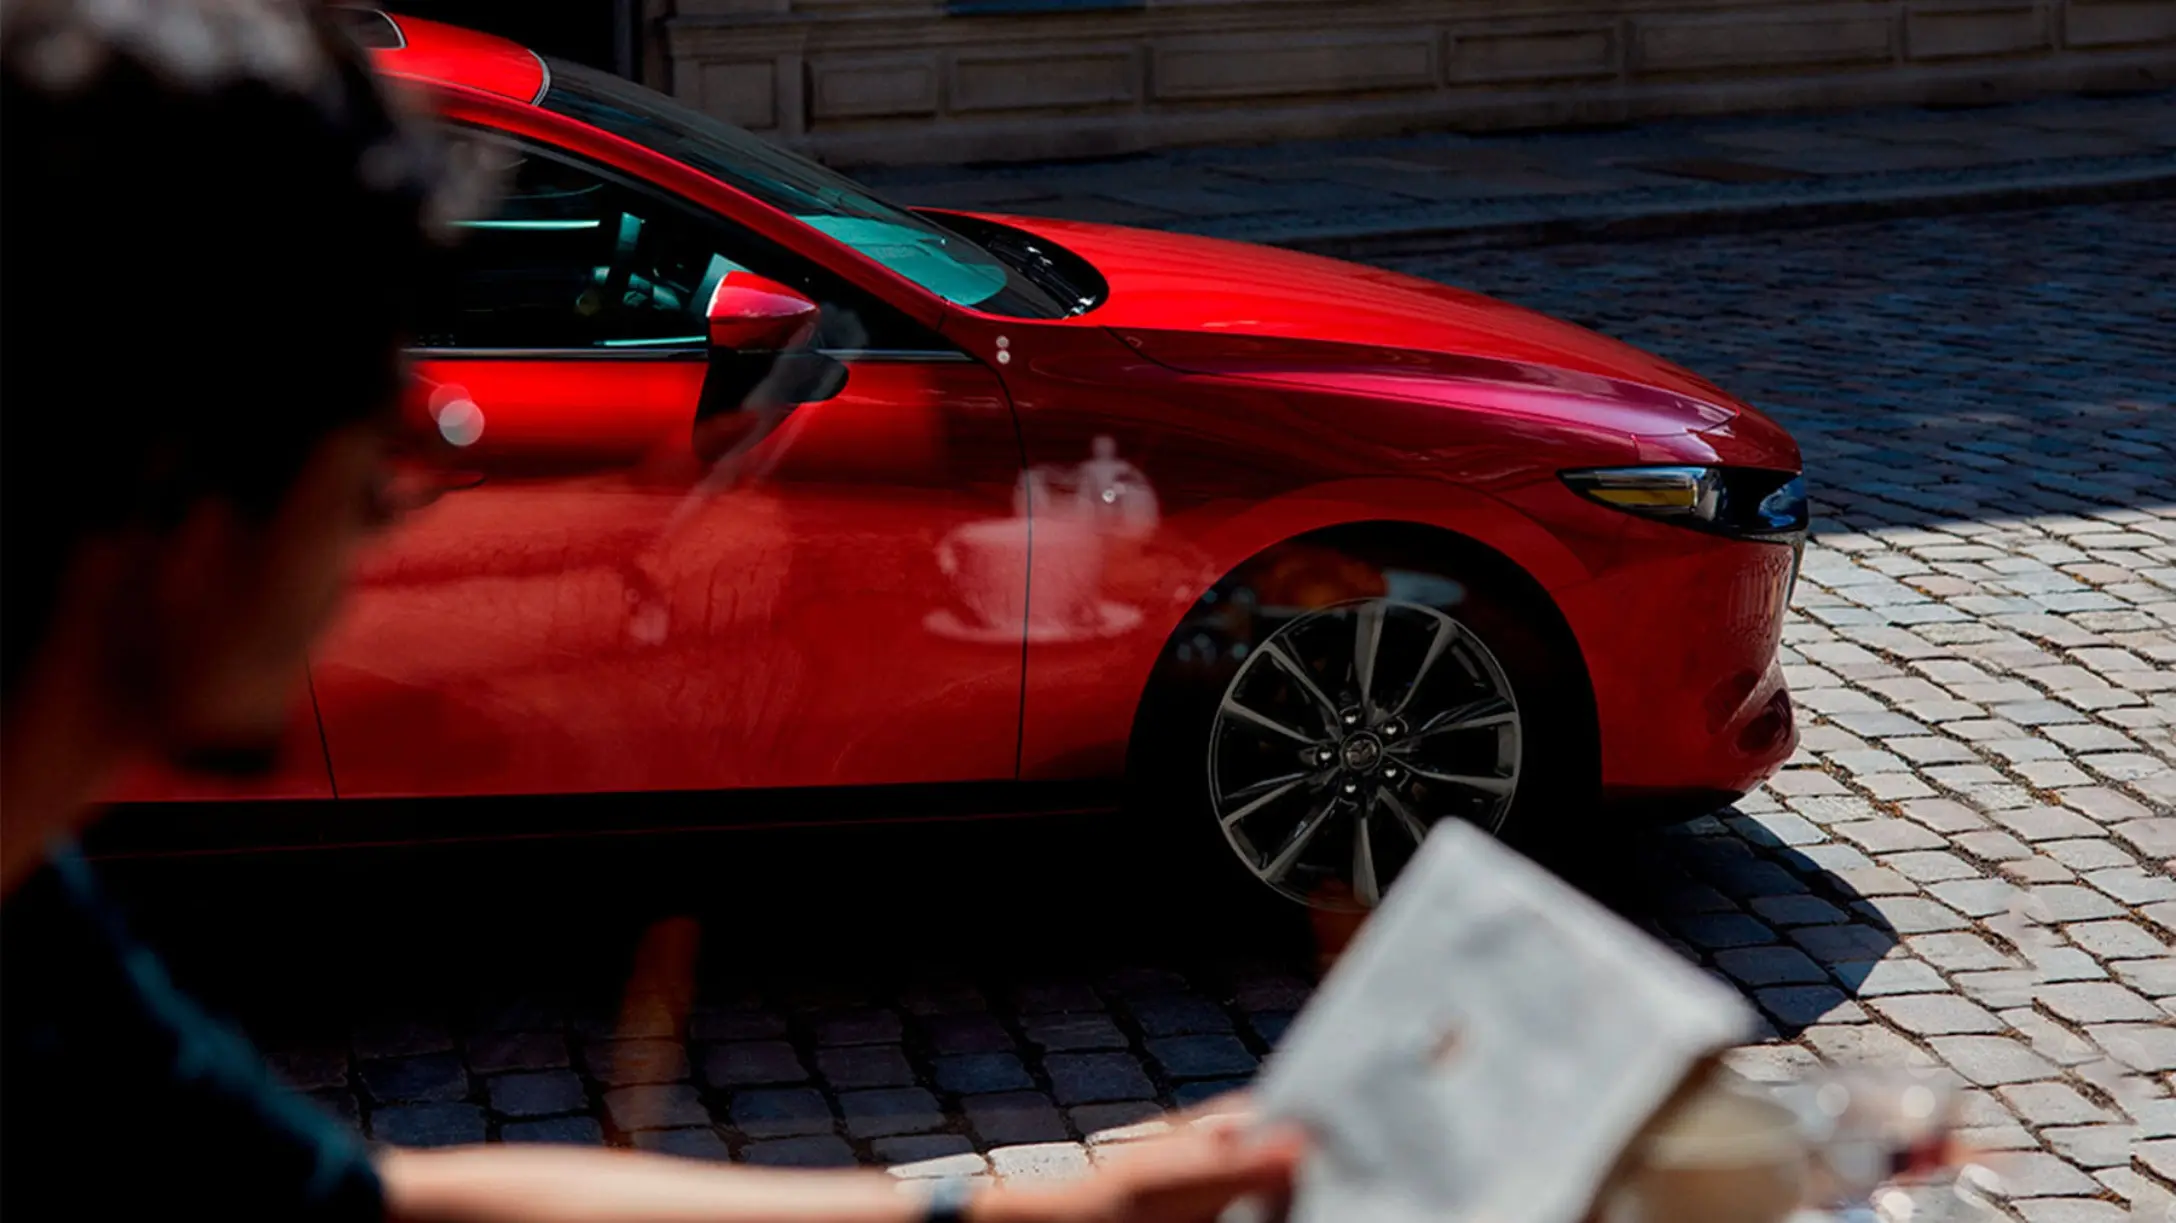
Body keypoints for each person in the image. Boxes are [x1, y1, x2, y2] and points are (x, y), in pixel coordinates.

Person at [0, 2, 1303, 1219]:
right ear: (178, 475)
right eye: (371, 395)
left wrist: (1053, 1203)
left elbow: (373, 1198)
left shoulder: (39, 913)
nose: (437, 437)